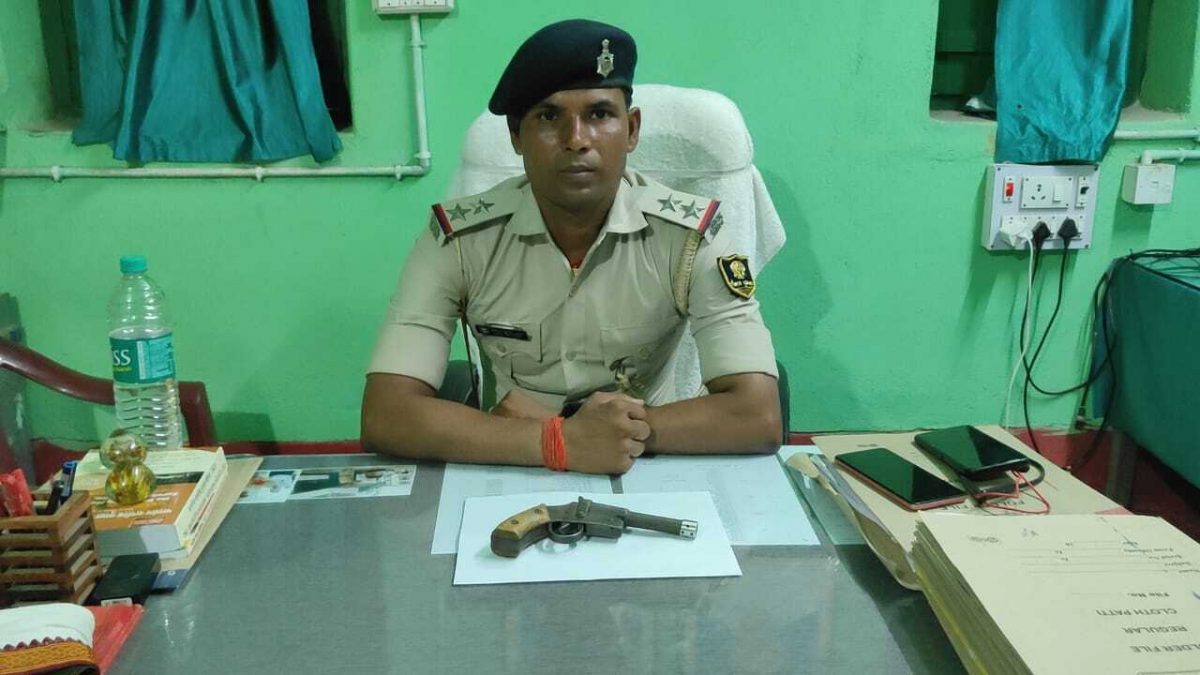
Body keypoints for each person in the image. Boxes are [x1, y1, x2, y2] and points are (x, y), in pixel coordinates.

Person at [362, 19, 781, 475]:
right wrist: (555, 442)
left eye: (599, 115)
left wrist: (612, 434)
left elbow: (758, 415)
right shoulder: (459, 240)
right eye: (548, 117)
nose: (576, 140)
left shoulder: (691, 237)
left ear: (632, 129)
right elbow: (386, 414)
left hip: (646, 461)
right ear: (516, 137)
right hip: (512, 459)